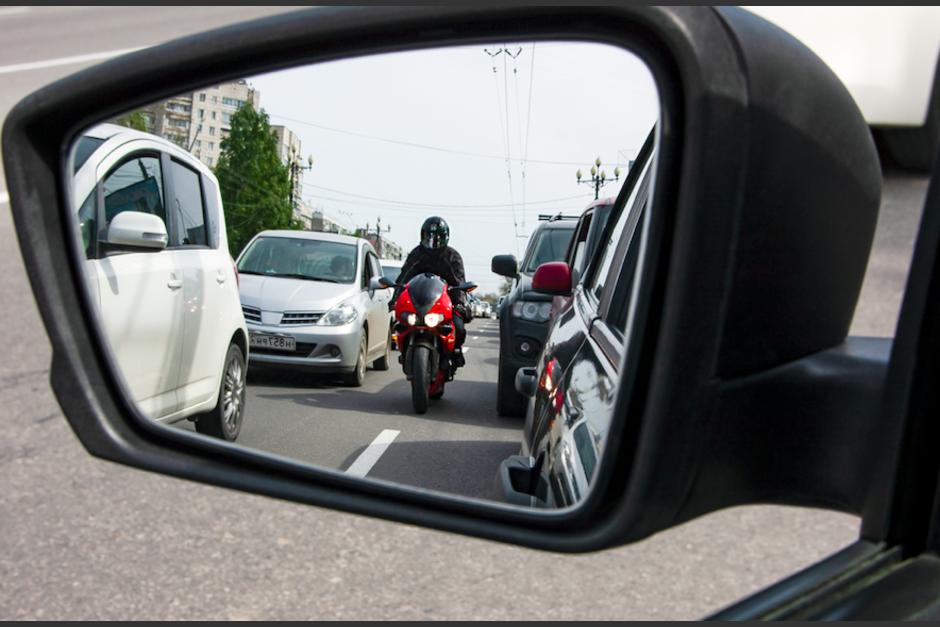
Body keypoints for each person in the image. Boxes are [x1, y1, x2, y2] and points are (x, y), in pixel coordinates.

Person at [394, 216, 470, 366]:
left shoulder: (452, 256)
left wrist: (460, 303)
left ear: (445, 238)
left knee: (459, 328)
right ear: (422, 236)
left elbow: (459, 281)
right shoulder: (416, 254)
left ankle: (455, 353)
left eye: (437, 238)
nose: (432, 241)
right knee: (399, 324)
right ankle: (404, 352)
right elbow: (404, 277)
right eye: (429, 237)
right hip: (418, 301)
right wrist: (395, 299)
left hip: (445, 302)